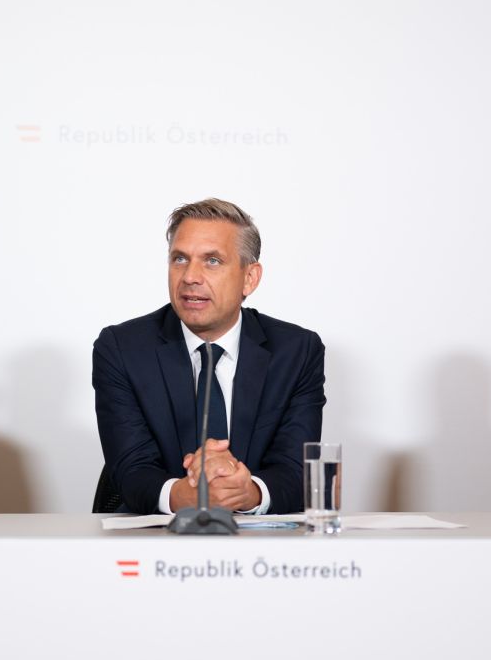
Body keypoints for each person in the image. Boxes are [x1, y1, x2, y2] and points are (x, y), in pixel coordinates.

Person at [92, 198, 325, 515]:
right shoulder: (123, 349)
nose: (190, 276)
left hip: (264, 538)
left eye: (212, 261)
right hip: (156, 534)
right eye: (179, 259)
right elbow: (131, 469)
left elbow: (295, 469)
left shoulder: (296, 351)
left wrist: (249, 492)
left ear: (250, 278)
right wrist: (181, 496)